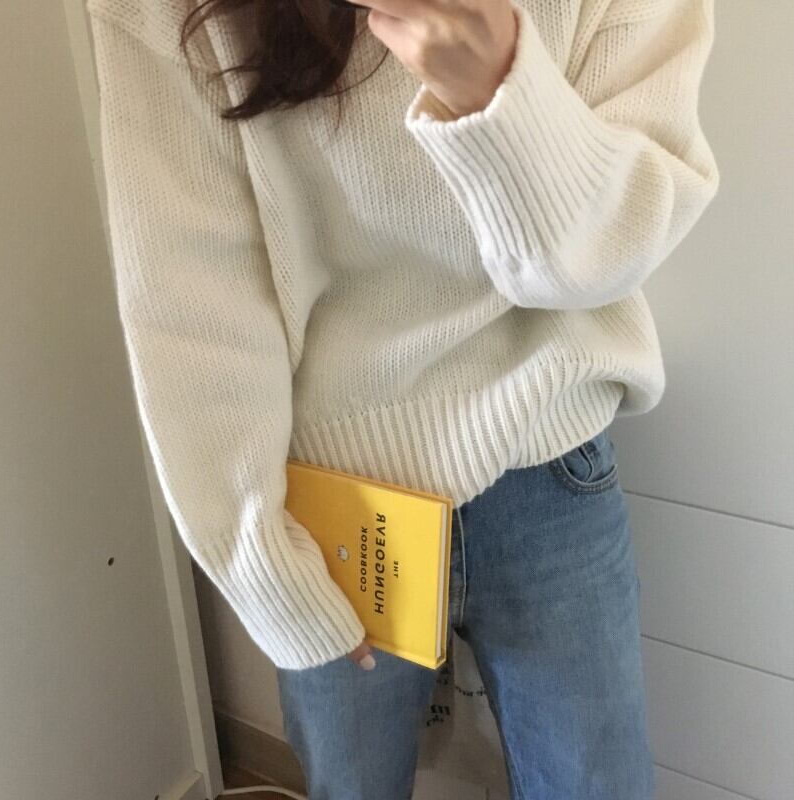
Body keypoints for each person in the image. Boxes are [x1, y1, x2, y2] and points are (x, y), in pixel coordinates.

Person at [86, 0, 719, 797]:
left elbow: (609, 250)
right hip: (331, 504)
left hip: (550, 457)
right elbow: (191, 292)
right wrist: (254, 554)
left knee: (598, 785)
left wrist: (497, 90)